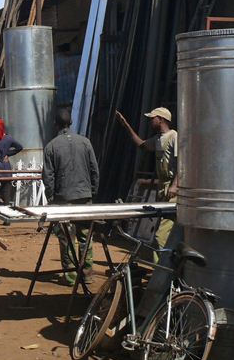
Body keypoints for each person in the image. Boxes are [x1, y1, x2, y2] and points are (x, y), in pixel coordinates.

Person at [42, 107, 100, 286]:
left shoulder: (51, 146)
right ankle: (87, 274)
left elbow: (48, 177)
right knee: (85, 236)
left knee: (67, 238)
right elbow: (94, 170)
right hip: (84, 198)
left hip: (63, 199)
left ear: (55, 124)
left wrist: (51, 198)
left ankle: (71, 276)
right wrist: (92, 192)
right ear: (71, 122)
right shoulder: (85, 142)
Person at [115, 107, 179, 251]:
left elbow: (183, 163)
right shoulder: (158, 139)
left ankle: (161, 271)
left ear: (161, 119)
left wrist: (175, 186)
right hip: (163, 188)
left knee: (160, 236)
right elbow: (142, 144)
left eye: (153, 118)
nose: (151, 121)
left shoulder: (173, 136)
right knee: (168, 231)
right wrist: (126, 125)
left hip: (172, 190)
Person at [0, 118, 24, 205]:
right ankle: (7, 213)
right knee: (6, 194)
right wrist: (8, 154)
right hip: (6, 167)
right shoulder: (8, 138)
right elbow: (19, 147)